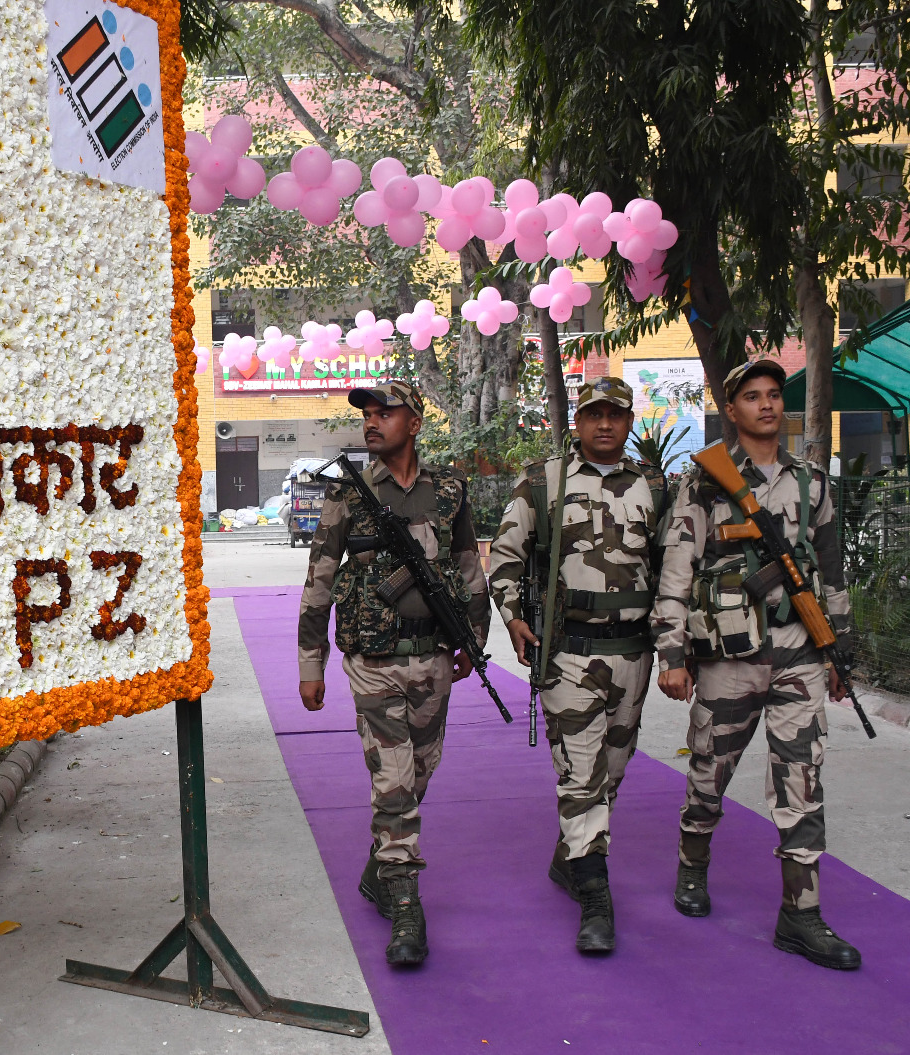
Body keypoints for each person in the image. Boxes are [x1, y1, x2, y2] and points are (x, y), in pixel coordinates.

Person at [651, 359, 861, 970]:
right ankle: (692, 866)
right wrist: (672, 653)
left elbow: (832, 568)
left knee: (802, 783)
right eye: (752, 396)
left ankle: (801, 913)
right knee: (709, 776)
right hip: (728, 657)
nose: (767, 404)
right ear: (732, 409)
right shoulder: (704, 482)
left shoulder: (812, 482)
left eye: (773, 394)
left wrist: (840, 649)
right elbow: (677, 570)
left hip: (800, 653)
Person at [297, 381, 490, 967]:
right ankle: (406, 906)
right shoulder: (347, 494)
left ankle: (380, 866)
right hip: (372, 662)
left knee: (420, 770)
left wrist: (473, 640)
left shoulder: (449, 490)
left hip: (434, 656)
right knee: (394, 780)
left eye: (386, 413)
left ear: (415, 423)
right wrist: (311, 663)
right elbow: (319, 579)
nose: (372, 422)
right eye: (368, 415)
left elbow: (467, 568)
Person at [487, 377, 667, 953]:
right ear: (579, 422)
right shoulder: (544, 482)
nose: (605, 424)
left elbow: (675, 567)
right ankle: (594, 895)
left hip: (633, 652)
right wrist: (514, 618)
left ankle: (572, 858)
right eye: (594, 415)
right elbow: (505, 558)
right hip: (568, 652)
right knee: (580, 775)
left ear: (629, 420)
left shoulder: (654, 486)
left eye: (616, 414)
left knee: (611, 772)